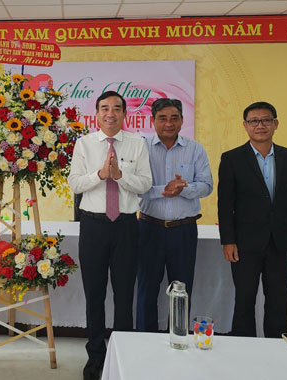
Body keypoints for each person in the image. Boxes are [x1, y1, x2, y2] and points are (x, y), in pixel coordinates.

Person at [68, 91, 152, 380]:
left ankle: (123, 355)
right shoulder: (84, 144)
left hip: (127, 226)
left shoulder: (137, 143)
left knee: (124, 294)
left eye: (117, 108)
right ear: (97, 114)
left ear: (124, 114)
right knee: (94, 294)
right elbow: (75, 184)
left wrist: (119, 175)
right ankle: (95, 356)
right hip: (93, 226)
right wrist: (101, 175)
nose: (110, 113)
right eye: (105, 108)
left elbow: (144, 185)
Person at [218, 101, 287, 338]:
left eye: (266, 120)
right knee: (244, 301)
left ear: (275, 124)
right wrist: (228, 241)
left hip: (280, 242)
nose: (260, 125)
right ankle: (243, 349)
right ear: (245, 126)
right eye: (254, 121)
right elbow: (225, 205)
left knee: (278, 302)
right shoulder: (231, 159)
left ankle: (276, 349)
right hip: (244, 245)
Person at [136, 98, 213, 332]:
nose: (169, 123)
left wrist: (184, 189)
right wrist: (164, 190)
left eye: (174, 118)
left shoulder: (195, 149)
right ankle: (144, 340)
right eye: (163, 118)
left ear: (182, 120)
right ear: (153, 121)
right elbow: (137, 186)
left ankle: (178, 338)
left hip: (184, 230)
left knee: (181, 290)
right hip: (149, 228)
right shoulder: (142, 148)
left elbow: (207, 185)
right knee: (147, 289)